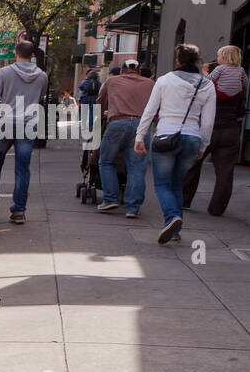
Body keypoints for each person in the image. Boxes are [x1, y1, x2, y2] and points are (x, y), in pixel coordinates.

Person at [134, 43, 217, 244]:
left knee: (162, 184)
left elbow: (150, 111)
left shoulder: (164, 80)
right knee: (177, 184)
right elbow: (207, 122)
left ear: (178, 60)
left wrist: (139, 136)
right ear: (198, 61)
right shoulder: (207, 85)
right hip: (192, 138)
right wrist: (203, 146)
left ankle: (172, 218)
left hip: (165, 136)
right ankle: (175, 230)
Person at [0, 40, 48, 223]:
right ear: (32, 56)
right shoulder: (42, 76)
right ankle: (19, 210)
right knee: (23, 168)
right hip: (28, 124)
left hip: (6, 123)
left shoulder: (4, 73)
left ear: (15, 54)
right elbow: (40, 97)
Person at [184, 45, 248, 216]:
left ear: (224, 57)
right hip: (231, 129)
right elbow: (244, 94)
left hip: (210, 127)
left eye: (219, 55)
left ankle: (184, 200)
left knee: (193, 164)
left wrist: (204, 71)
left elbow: (206, 82)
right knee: (225, 172)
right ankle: (217, 209)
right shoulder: (241, 73)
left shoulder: (217, 75)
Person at [94, 59, 153, 217]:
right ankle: (132, 208)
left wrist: (101, 116)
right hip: (142, 125)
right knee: (137, 167)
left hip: (117, 122)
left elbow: (99, 102)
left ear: (122, 71)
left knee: (106, 161)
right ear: (139, 71)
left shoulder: (112, 81)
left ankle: (110, 198)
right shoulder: (150, 83)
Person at [79, 69, 102, 134]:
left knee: (84, 113)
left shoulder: (86, 81)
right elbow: (101, 89)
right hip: (94, 98)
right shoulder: (98, 82)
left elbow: (80, 87)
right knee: (92, 113)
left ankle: (83, 127)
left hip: (86, 97)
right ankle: (90, 127)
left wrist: (85, 89)